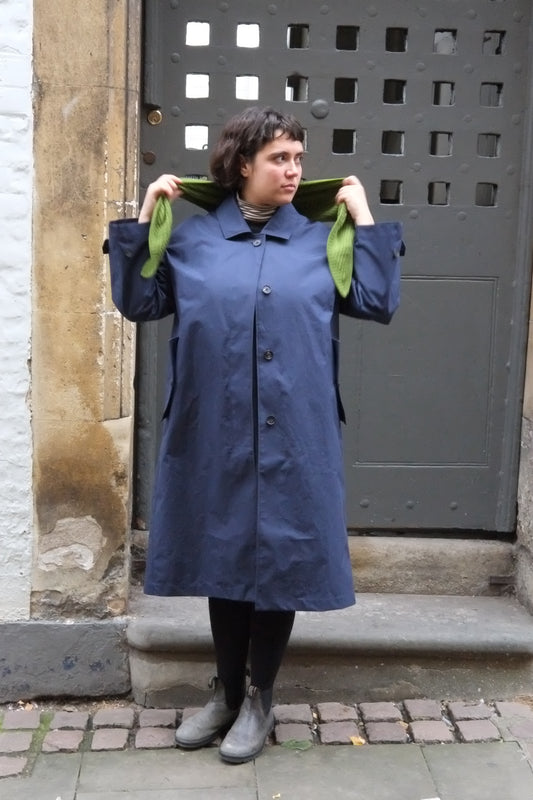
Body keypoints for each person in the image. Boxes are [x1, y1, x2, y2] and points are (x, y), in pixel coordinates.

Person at [108, 106, 403, 763]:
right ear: (242, 164)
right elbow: (139, 303)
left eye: (298, 157)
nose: (293, 170)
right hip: (213, 431)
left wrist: (361, 216)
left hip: (295, 432)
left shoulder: (320, 241)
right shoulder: (193, 241)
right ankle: (225, 692)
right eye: (279, 158)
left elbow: (379, 302)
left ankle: (260, 695)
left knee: (281, 559)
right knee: (224, 555)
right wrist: (141, 215)